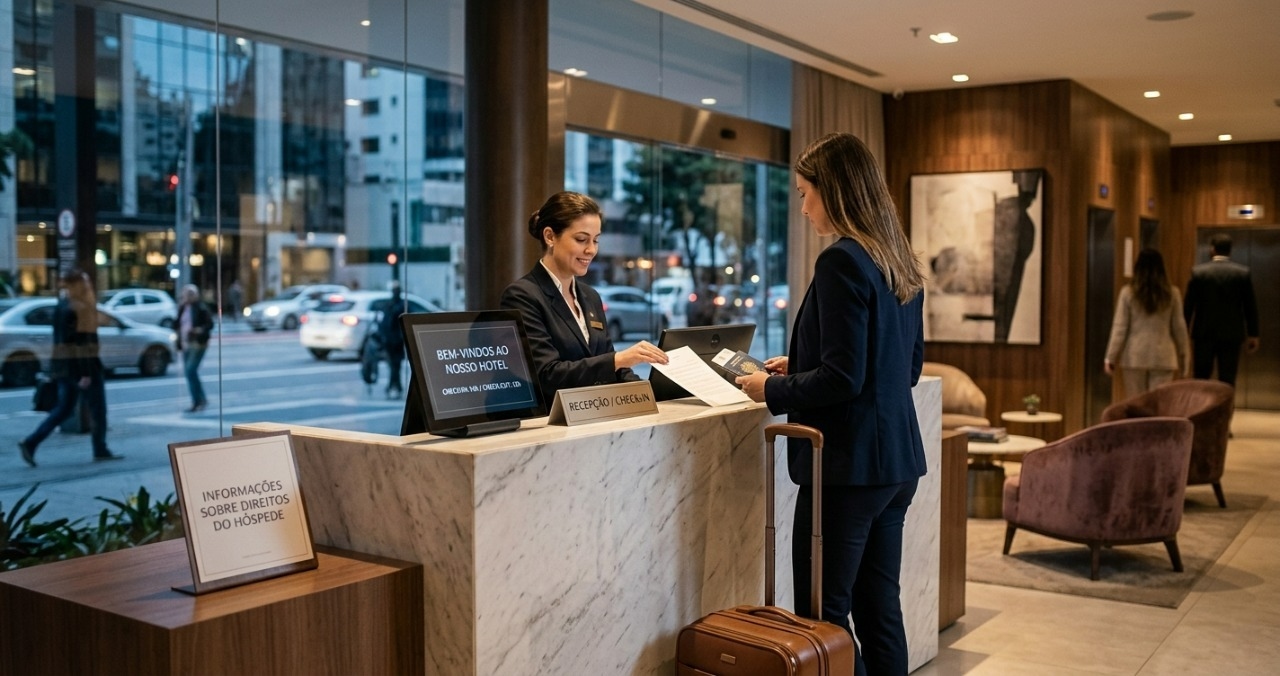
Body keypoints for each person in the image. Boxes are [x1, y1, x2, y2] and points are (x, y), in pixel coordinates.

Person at [736, 132, 926, 676]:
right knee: (878, 610)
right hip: (894, 466)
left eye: (804, 193)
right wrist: (801, 367)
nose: (801, 207)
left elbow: (844, 379)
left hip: (844, 469)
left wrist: (768, 389)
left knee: (822, 620)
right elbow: (902, 367)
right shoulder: (897, 259)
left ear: (834, 191)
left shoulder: (841, 261)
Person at [500, 191, 668, 401]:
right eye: (581, 239)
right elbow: (546, 374)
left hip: (594, 416)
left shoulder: (591, 296)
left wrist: (647, 395)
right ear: (550, 236)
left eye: (596, 240)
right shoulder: (522, 296)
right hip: (551, 424)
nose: (591, 250)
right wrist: (618, 359)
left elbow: (612, 367)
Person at [19, 270, 121, 466]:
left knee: (64, 409)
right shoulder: (81, 307)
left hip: (64, 367)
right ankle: (100, 448)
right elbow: (82, 343)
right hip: (84, 368)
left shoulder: (63, 305)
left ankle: (31, 442)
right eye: (85, 282)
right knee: (97, 409)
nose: (89, 285)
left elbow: (64, 341)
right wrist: (85, 373)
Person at [1104, 249, 1190, 397]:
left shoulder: (1128, 293)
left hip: (1134, 357)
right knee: (1159, 404)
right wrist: (1185, 358)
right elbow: (1179, 328)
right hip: (1164, 357)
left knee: (1137, 403)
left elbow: (1120, 328)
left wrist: (1110, 357)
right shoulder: (1172, 293)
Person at [1183, 233, 1260, 386]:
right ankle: (1225, 408)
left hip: (1204, 333)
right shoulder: (1242, 273)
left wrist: (1183, 330)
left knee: (1201, 377)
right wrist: (1254, 334)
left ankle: (1202, 408)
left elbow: (1189, 305)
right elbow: (1250, 306)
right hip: (1232, 334)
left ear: (1212, 250)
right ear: (1230, 251)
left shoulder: (1198, 273)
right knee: (1228, 377)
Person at [176, 284, 214, 412]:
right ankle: (201, 399)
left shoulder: (200, 307)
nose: (187, 297)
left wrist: (199, 330)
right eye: (186, 294)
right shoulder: (182, 308)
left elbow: (210, 324)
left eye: (190, 294)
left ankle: (197, 401)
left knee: (190, 371)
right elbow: (177, 324)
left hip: (197, 343)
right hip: (186, 343)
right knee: (190, 373)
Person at [379, 281, 406, 398]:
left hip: (395, 340)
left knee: (395, 364)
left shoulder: (396, 305)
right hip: (392, 339)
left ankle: (394, 385)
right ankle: (395, 385)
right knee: (394, 364)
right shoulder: (394, 305)